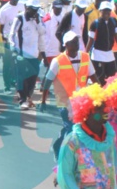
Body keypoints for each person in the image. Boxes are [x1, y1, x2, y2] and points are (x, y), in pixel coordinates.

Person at [40, 31, 94, 161]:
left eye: (77, 41)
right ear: (66, 45)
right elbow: (47, 82)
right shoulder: (57, 61)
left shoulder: (85, 57)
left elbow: (94, 77)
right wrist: (43, 101)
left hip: (81, 103)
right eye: (73, 42)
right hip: (64, 103)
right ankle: (67, 160)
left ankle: (59, 146)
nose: (76, 44)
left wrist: (101, 95)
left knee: (75, 130)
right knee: (72, 131)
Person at [9, 0, 46, 110]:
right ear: (26, 7)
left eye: (36, 10)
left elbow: (43, 32)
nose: (34, 12)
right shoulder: (19, 18)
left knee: (33, 78)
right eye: (32, 10)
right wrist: (13, 48)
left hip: (34, 55)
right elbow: (11, 34)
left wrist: (38, 22)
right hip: (22, 54)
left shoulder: (38, 18)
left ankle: (28, 96)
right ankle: (23, 99)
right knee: (22, 78)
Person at [84, 1, 117, 85]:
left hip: (109, 54)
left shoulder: (114, 22)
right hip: (98, 55)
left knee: (112, 78)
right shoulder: (95, 24)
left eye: (108, 11)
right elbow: (90, 40)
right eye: (104, 10)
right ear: (100, 11)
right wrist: (85, 54)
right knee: (99, 79)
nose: (107, 13)